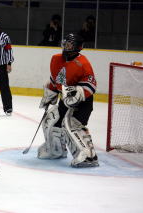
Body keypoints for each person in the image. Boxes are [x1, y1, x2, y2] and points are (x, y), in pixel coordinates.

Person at [37, 33, 99, 168]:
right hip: (64, 100)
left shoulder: (83, 63)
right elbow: (55, 80)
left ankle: (89, 156)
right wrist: (50, 94)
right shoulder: (56, 59)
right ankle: (55, 150)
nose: (66, 47)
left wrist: (78, 93)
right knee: (52, 120)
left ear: (78, 47)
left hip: (83, 103)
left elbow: (91, 85)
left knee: (73, 124)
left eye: (70, 44)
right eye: (65, 43)